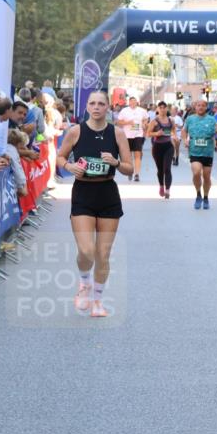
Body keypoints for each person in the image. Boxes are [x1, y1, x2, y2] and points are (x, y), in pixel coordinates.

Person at [55, 90, 134, 318]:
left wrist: (116, 162)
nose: (97, 107)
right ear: (87, 107)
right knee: (87, 250)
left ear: (108, 107)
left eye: (101, 103)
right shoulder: (75, 131)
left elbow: (130, 169)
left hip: (108, 193)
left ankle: (98, 301)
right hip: (83, 193)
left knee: (102, 254)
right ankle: (84, 282)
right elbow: (60, 157)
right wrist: (69, 167)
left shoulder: (117, 133)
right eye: (92, 103)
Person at [181, 98, 217, 210]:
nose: (200, 107)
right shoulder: (190, 119)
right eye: (198, 105)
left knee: (206, 176)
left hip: (208, 152)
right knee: (196, 172)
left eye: (203, 105)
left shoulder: (212, 120)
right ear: (195, 107)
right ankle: (198, 194)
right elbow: (184, 131)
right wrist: (185, 140)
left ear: (206, 107)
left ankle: (206, 197)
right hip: (194, 151)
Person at [146, 102, 175, 199]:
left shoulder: (171, 120)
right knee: (160, 169)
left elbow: (173, 131)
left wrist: (174, 137)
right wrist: (157, 133)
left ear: (167, 109)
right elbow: (148, 134)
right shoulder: (154, 121)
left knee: (167, 168)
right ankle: (161, 186)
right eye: (160, 107)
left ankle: (168, 190)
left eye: (164, 107)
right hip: (157, 147)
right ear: (158, 109)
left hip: (168, 146)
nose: (162, 109)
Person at [116, 97, 147, 182]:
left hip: (138, 135)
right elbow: (118, 122)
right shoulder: (124, 111)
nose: (133, 103)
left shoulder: (142, 111)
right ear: (129, 102)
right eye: (131, 102)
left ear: (137, 102)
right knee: (129, 156)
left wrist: (144, 124)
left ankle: (137, 174)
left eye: (135, 101)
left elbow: (145, 119)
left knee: (137, 154)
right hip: (127, 136)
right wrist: (128, 123)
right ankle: (130, 172)